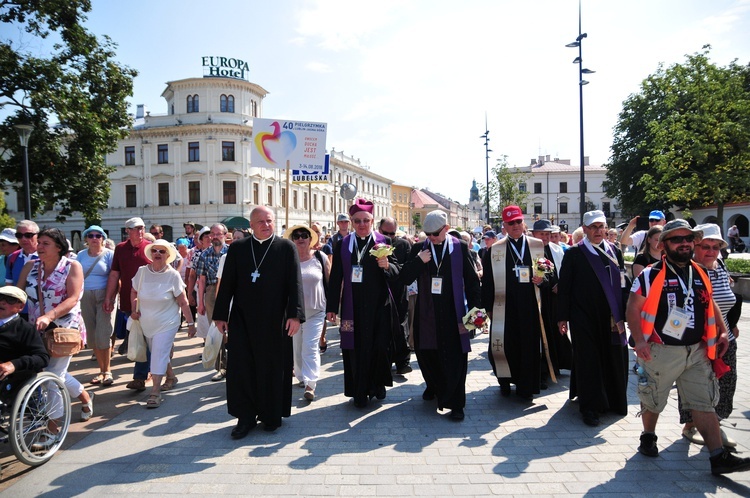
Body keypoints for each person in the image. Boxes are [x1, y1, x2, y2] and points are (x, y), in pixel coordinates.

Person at [626, 219, 750, 475]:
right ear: (663, 245)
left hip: (696, 350)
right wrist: (639, 341)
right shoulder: (649, 275)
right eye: (676, 239)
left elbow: (710, 301)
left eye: (688, 239)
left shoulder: (700, 272)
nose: (684, 243)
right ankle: (648, 435)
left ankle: (718, 457)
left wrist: (722, 331)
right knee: (653, 399)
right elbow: (633, 308)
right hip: (661, 350)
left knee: (703, 402)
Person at [213, 206, 304, 437]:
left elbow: (295, 283)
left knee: (272, 367)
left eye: (269, 220)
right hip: (243, 319)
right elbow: (228, 284)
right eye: (261, 221)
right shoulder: (239, 248)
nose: (266, 224)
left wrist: (295, 315)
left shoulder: (286, 247)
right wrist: (221, 315)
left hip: (276, 319)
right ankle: (245, 417)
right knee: (243, 368)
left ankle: (271, 415)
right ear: (251, 225)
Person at [399, 211, 481, 420]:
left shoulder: (459, 247)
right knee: (427, 354)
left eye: (435, 233)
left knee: (455, 358)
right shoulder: (420, 248)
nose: (432, 238)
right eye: (428, 234)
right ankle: (434, 386)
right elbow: (405, 277)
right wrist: (419, 261)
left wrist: (477, 315)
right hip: (427, 313)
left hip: (454, 312)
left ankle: (456, 404)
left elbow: (472, 282)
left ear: (446, 228)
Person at [557, 210, 629, 426]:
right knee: (589, 360)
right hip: (583, 316)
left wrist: (624, 311)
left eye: (601, 227)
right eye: (593, 227)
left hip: (610, 316)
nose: (598, 231)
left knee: (612, 355)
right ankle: (590, 407)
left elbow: (623, 282)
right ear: (585, 229)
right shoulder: (574, 254)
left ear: (606, 229)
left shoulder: (614, 251)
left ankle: (613, 400)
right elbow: (565, 288)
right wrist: (562, 317)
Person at [326, 198, 399, 408]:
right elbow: (336, 277)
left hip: (379, 305)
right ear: (351, 221)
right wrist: (332, 307)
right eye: (357, 221)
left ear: (372, 220)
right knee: (354, 348)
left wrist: (387, 266)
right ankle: (359, 391)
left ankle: (377, 386)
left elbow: (396, 273)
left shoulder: (383, 241)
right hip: (352, 306)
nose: (361, 225)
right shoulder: (343, 244)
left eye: (365, 220)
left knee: (378, 347)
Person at [17, 227, 94, 421]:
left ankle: (53, 427)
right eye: (39, 242)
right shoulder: (30, 267)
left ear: (58, 247)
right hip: (38, 328)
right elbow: (16, 296)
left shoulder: (72, 266)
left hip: (65, 328)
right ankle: (85, 397)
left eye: (45, 243)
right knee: (53, 372)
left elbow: (73, 298)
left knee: (51, 376)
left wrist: (49, 316)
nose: (40, 247)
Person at [679, 224, 741, 448]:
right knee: (699, 386)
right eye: (706, 246)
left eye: (716, 246)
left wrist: (730, 325)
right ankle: (691, 426)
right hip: (698, 341)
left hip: (724, 340)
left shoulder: (720, 267)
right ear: (695, 246)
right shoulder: (688, 270)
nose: (711, 251)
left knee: (726, 384)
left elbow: (729, 300)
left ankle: (716, 424)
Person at [481, 205, 545, 399]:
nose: (516, 225)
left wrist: (543, 280)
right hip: (504, 307)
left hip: (530, 306)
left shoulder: (537, 245)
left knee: (528, 346)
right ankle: (505, 381)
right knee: (504, 345)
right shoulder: (495, 250)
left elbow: (549, 275)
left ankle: (527, 386)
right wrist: (488, 307)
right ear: (505, 226)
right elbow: (488, 282)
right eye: (511, 223)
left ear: (523, 222)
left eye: (518, 221)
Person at [130, 239, 195, 407]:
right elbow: (134, 291)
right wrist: (133, 309)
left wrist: (190, 323)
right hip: (146, 322)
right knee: (159, 351)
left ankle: (155, 392)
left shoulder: (172, 275)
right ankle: (171, 376)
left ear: (168, 255)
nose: (158, 254)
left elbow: (183, 301)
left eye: (162, 251)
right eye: (155, 250)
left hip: (168, 322)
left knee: (158, 353)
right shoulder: (142, 272)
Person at [104, 217, 151, 391]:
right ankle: (149, 371)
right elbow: (115, 274)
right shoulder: (120, 249)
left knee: (148, 338)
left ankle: (141, 376)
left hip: (150, 300)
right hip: (127, 301)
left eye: (141, 228)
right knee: (138, 337)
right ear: (127, 231)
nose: (139, 231)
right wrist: (109, 298)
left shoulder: (150, 247)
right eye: (135, 228)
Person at [284, 224, 328, 401]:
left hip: (316, 310)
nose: (301, 238)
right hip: (294, 312)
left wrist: (333, 307)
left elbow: (329, 281)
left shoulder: (320, 257)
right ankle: (301, 376)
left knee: (310, 347)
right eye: (297, 236)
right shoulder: (288, 259)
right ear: (293, 240)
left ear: (311, 239)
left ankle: (311, 383)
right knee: (297, 347)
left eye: (304, 235)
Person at [531, 219, 571, 387]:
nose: (546, 237)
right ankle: (542, 370)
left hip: (553, 299)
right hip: (537, 298)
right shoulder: (531, 249)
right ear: (534, 235)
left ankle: (556, 365)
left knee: (554, 332)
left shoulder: (557, 249)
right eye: (542, 234)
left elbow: (564, 271)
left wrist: (560, 285)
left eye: (548, 234)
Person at [77, 225, 115, 386]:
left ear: (103, 238)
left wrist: (111, 298)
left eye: (98, 235)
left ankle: (107, 371)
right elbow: (75, 275)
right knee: (92, 335)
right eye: (90, 235)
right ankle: (101, 370)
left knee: (103, 333)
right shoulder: (80, 255)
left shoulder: (109, 255)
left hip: (104, 295)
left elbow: (115, 277)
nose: (94, 238)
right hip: (85, 296)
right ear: (86, 239)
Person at [379, 216, 412, 375]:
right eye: (386, 233)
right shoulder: (375, 244)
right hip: (381, 291)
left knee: (401, 325)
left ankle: (403, 362)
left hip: (399, 290)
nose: (390, 237)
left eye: (392, 234)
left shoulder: (404, 244)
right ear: (380, 230)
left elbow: (406, 267)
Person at [195, 223, 229, 381]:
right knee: (216, 330)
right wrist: (201, 303)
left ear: (225, 235)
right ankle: (220, 367)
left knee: (233, 328)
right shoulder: (204, 254)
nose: (214, 236)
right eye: (212, 234)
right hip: (211, 292)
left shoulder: (232, 252)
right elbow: (201, 280)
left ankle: (234, 364)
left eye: (218, 233)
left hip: (230, 291)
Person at [0, 286, 50, 385]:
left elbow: (43, 358)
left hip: (10, 379)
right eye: (0, 297)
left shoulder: (25, 329)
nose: (2, 302)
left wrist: (14, 364)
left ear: (21, 307)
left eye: (10, 299)